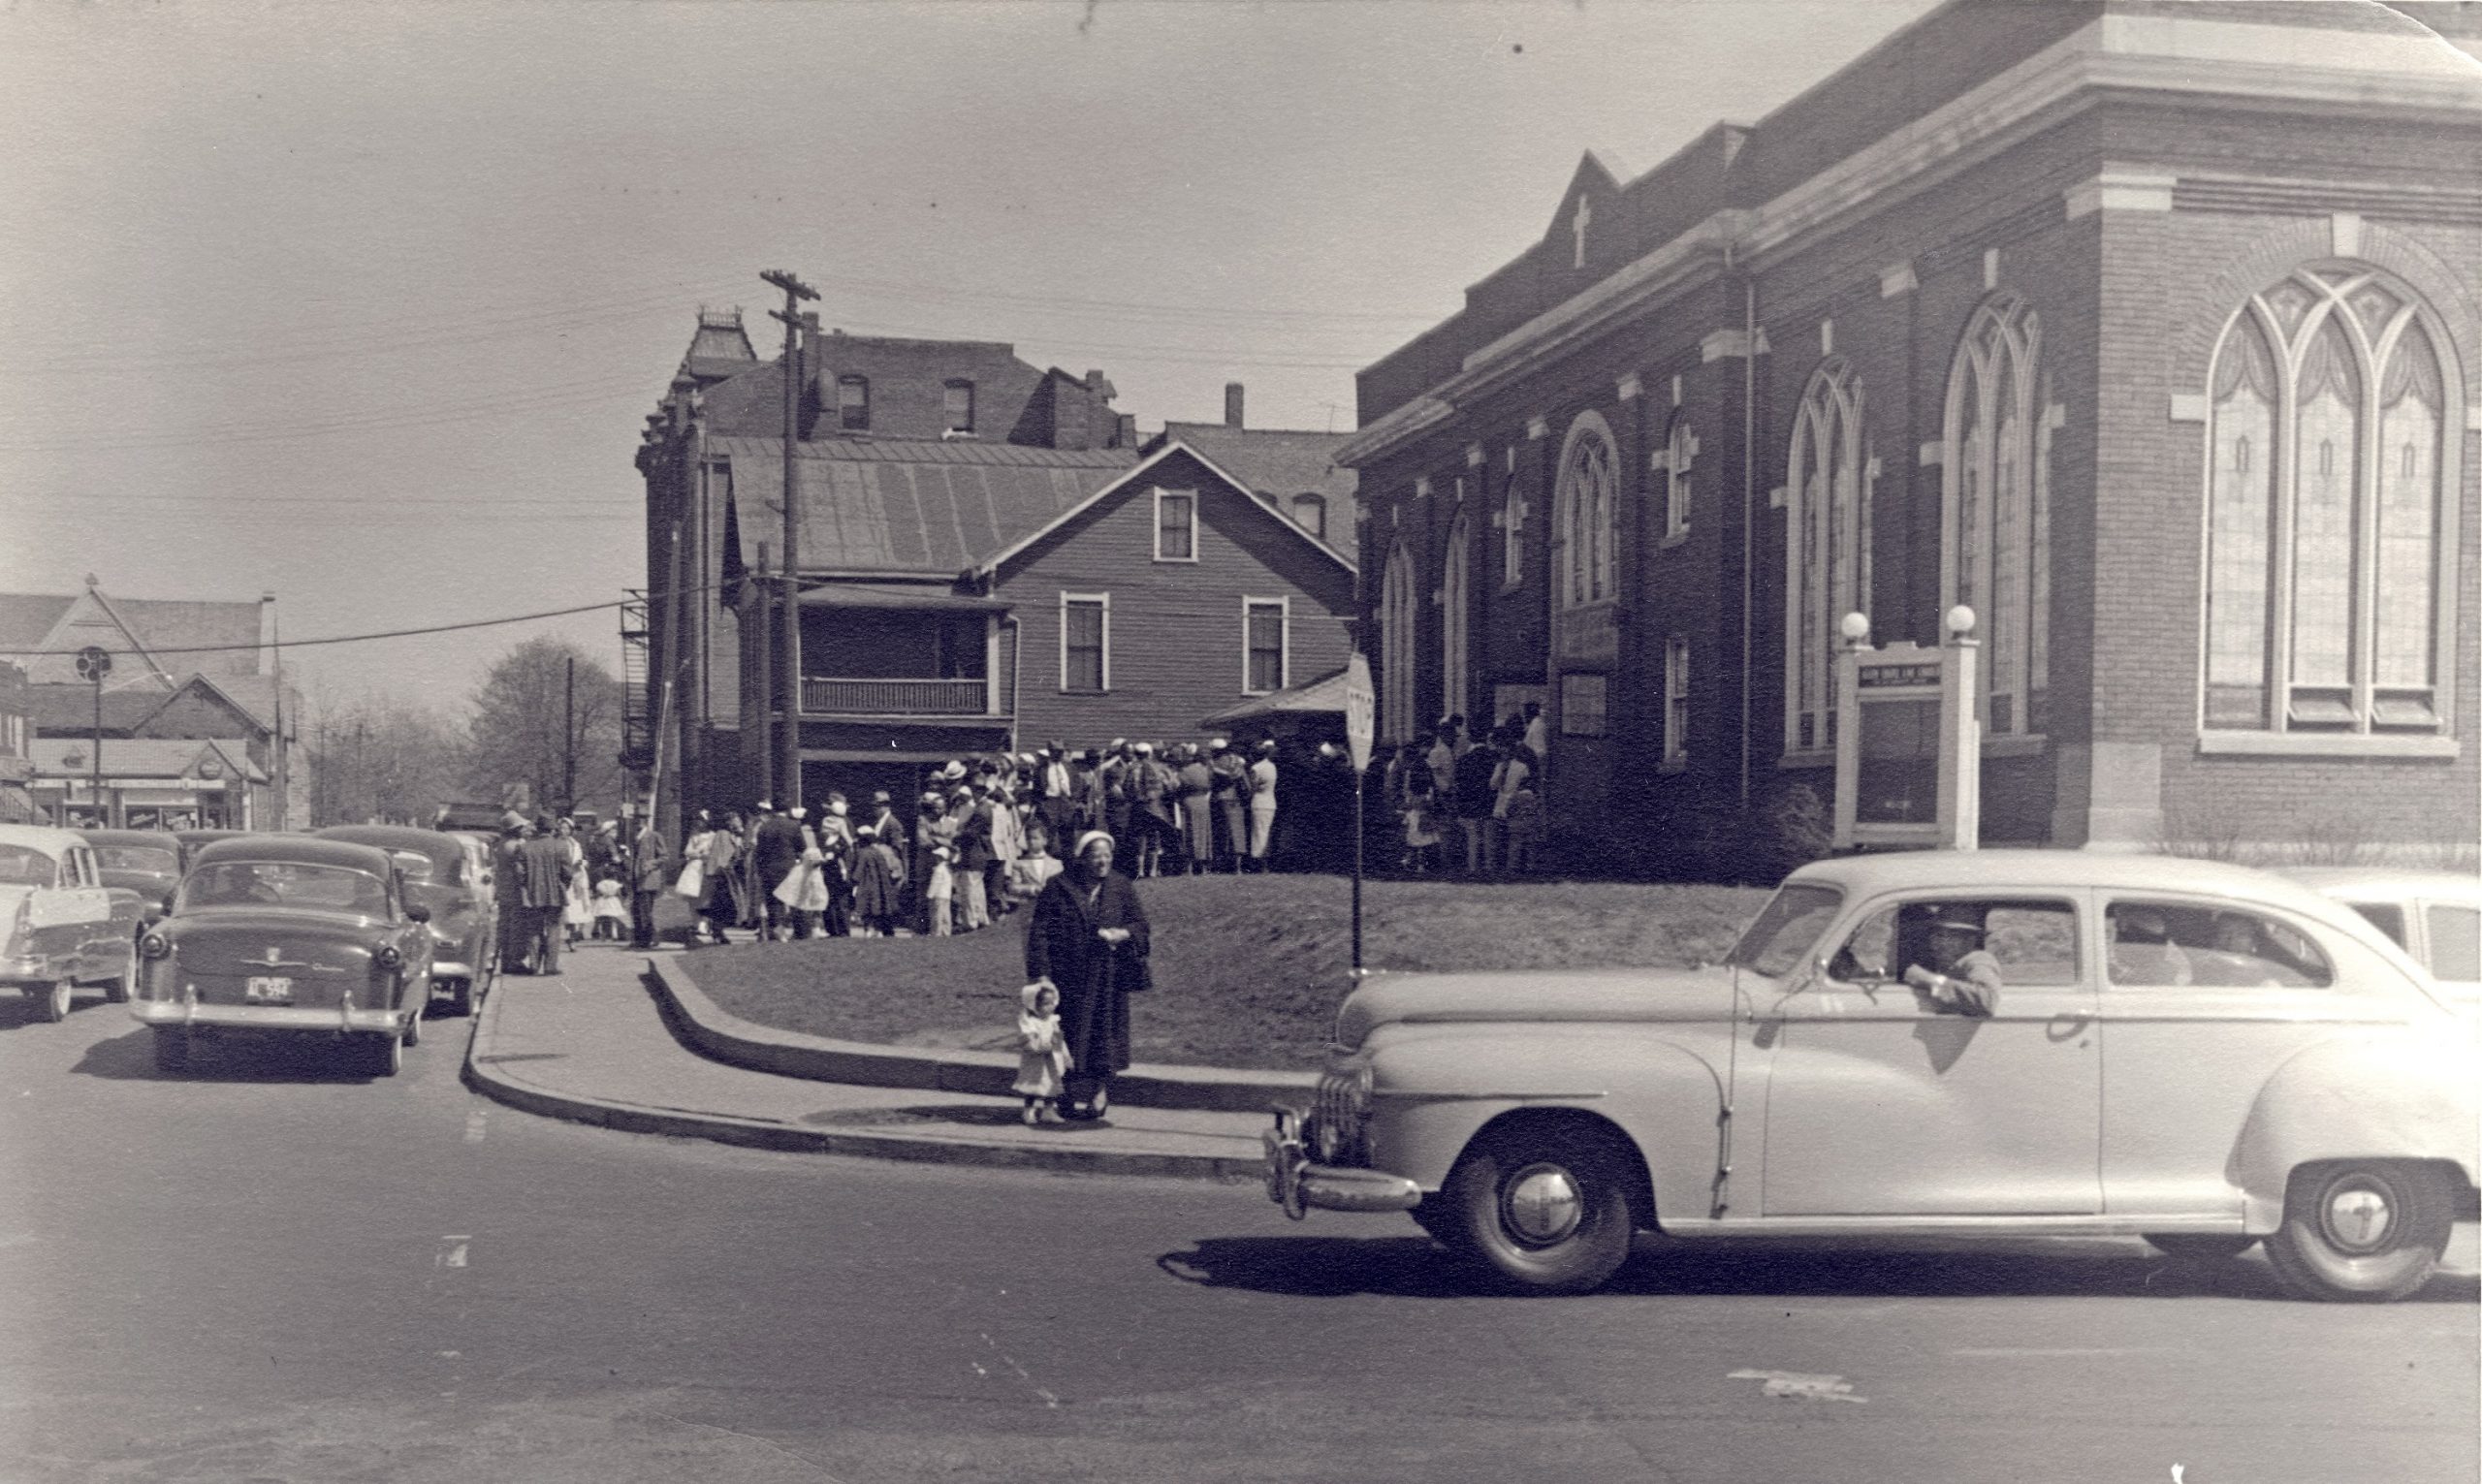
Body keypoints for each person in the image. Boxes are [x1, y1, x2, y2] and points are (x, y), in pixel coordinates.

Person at [1024, 831, 1151, 1122]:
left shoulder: (1121, 886)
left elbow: (1141, 925)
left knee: (1105, 1035)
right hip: (1068, 975)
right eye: (1096, 856)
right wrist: (1041, 974)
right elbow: (1040, 932)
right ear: (1082, 858)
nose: (1102, 862)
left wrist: (1124, 933)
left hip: (1108, 976)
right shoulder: (1059, 887)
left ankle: (1100, 1091)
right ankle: (1065, 1093)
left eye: (1107, 856)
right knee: (1068, 1036)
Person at [1901, 909, 2002, 1017]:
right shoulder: (1946, 965)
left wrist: (1927, 979)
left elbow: (1986, 1001)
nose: (1937, 943)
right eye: (1935, 936)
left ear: (1969, 941)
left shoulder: (1978, 959)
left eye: (1948, 937)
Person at [516, 817, 575, 975]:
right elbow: (568, 872)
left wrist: (526, 886)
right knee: (554, 929)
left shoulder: (525, 847)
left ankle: (534, 965)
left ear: (537, 829)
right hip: (555, 893)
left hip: (532, 894)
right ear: (552, 830)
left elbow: (520, 873)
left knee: (534, 930)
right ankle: (550, 966)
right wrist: (563, 886)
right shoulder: (561, 846)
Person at [1011, 981, 1072, 1126]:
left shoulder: (1053, 1021)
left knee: (1051, 1083)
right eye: (1046, 1004)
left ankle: (1048, 1109)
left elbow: (1058, 1040)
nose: (1050, 1007)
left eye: (1052, 1003)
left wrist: (1066, 1056)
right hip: (1036, 1060)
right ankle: (1028, 1109)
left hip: (1052, 1059)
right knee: (1033, 1085)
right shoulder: (1029, 1022)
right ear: (1033, 1005)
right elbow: (1026, 1040)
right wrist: (1037, 1046)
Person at [751, 801, 806, 942]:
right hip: (789, 866)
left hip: (770, 867)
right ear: (787, 810)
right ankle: (800, 931)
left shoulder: (764, 827)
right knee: (795, 899)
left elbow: (760, 851)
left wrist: (760, 869)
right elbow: (801, 847)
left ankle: (778, 930)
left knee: (774, 900)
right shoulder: (794, 825)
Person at [849, 825, 906, 937]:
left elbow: (859, 870)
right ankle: (879, 931)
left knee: (867, 908)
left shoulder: (862, 853)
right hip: (881, 886)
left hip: (867, 885)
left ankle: (868, 930)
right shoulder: (878, 852)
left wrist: (852, 881)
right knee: (880, 908)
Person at [1208, 737, 1248, 872]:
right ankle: (1238, 866)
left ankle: (1223, 864)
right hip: (1236, 798)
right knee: (1237, 832)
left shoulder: (1213, 763)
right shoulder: (1236, 760)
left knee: (1221, 832)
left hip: (1220, 799)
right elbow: (1239, 776)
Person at [1175, 743, 1214, 875]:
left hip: (1189, 801)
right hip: (1203, 801)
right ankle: (1203, 867)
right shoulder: (1207, 770)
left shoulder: (1184, 771)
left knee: (1189, 832)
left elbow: (1178, 786)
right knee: (1203, 833)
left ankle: (1189, 867)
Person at [1246, 738, 1279, 872]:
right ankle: (1266, 861)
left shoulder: (1255, 768)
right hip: (1270, 802)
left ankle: (1258, 862)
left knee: (1258, 833)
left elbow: (1252, 787)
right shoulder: (1272, 766)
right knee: (1266, 832)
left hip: (1259, 802)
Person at [1503, 784, 1544, 875]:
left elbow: (1507, 810)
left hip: (1515, 827)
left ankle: (1512, 868)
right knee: (1530, 849)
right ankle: (1530, 867)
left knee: (1514, 849)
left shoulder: (1514, 797)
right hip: (1530, 826)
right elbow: (1539, 814)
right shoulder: (1535, 799)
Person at [925, 844, 957, 937]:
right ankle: (946, 932)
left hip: (938, 895)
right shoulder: (948, 869)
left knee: (937, 915)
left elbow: (935, 883)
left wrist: (929, 895)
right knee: (946, 914)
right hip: (946, 895)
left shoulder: (939, 869)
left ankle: (936, 933)